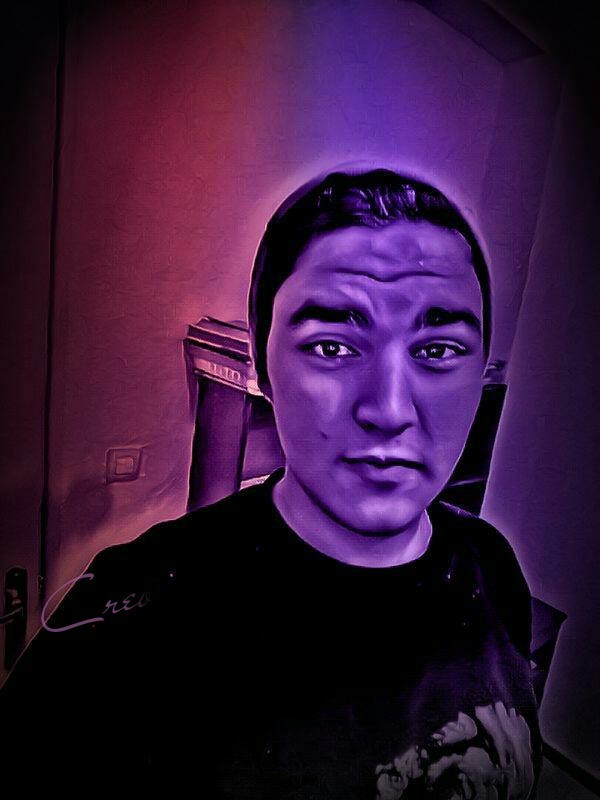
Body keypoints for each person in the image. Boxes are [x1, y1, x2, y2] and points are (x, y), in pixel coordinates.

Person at [0, 168, 539, 799]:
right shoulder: (124, 634)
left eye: (438, 349)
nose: (389, 410)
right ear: (261, 364)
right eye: (333, 347)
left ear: (482, 374)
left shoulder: (491, 566)